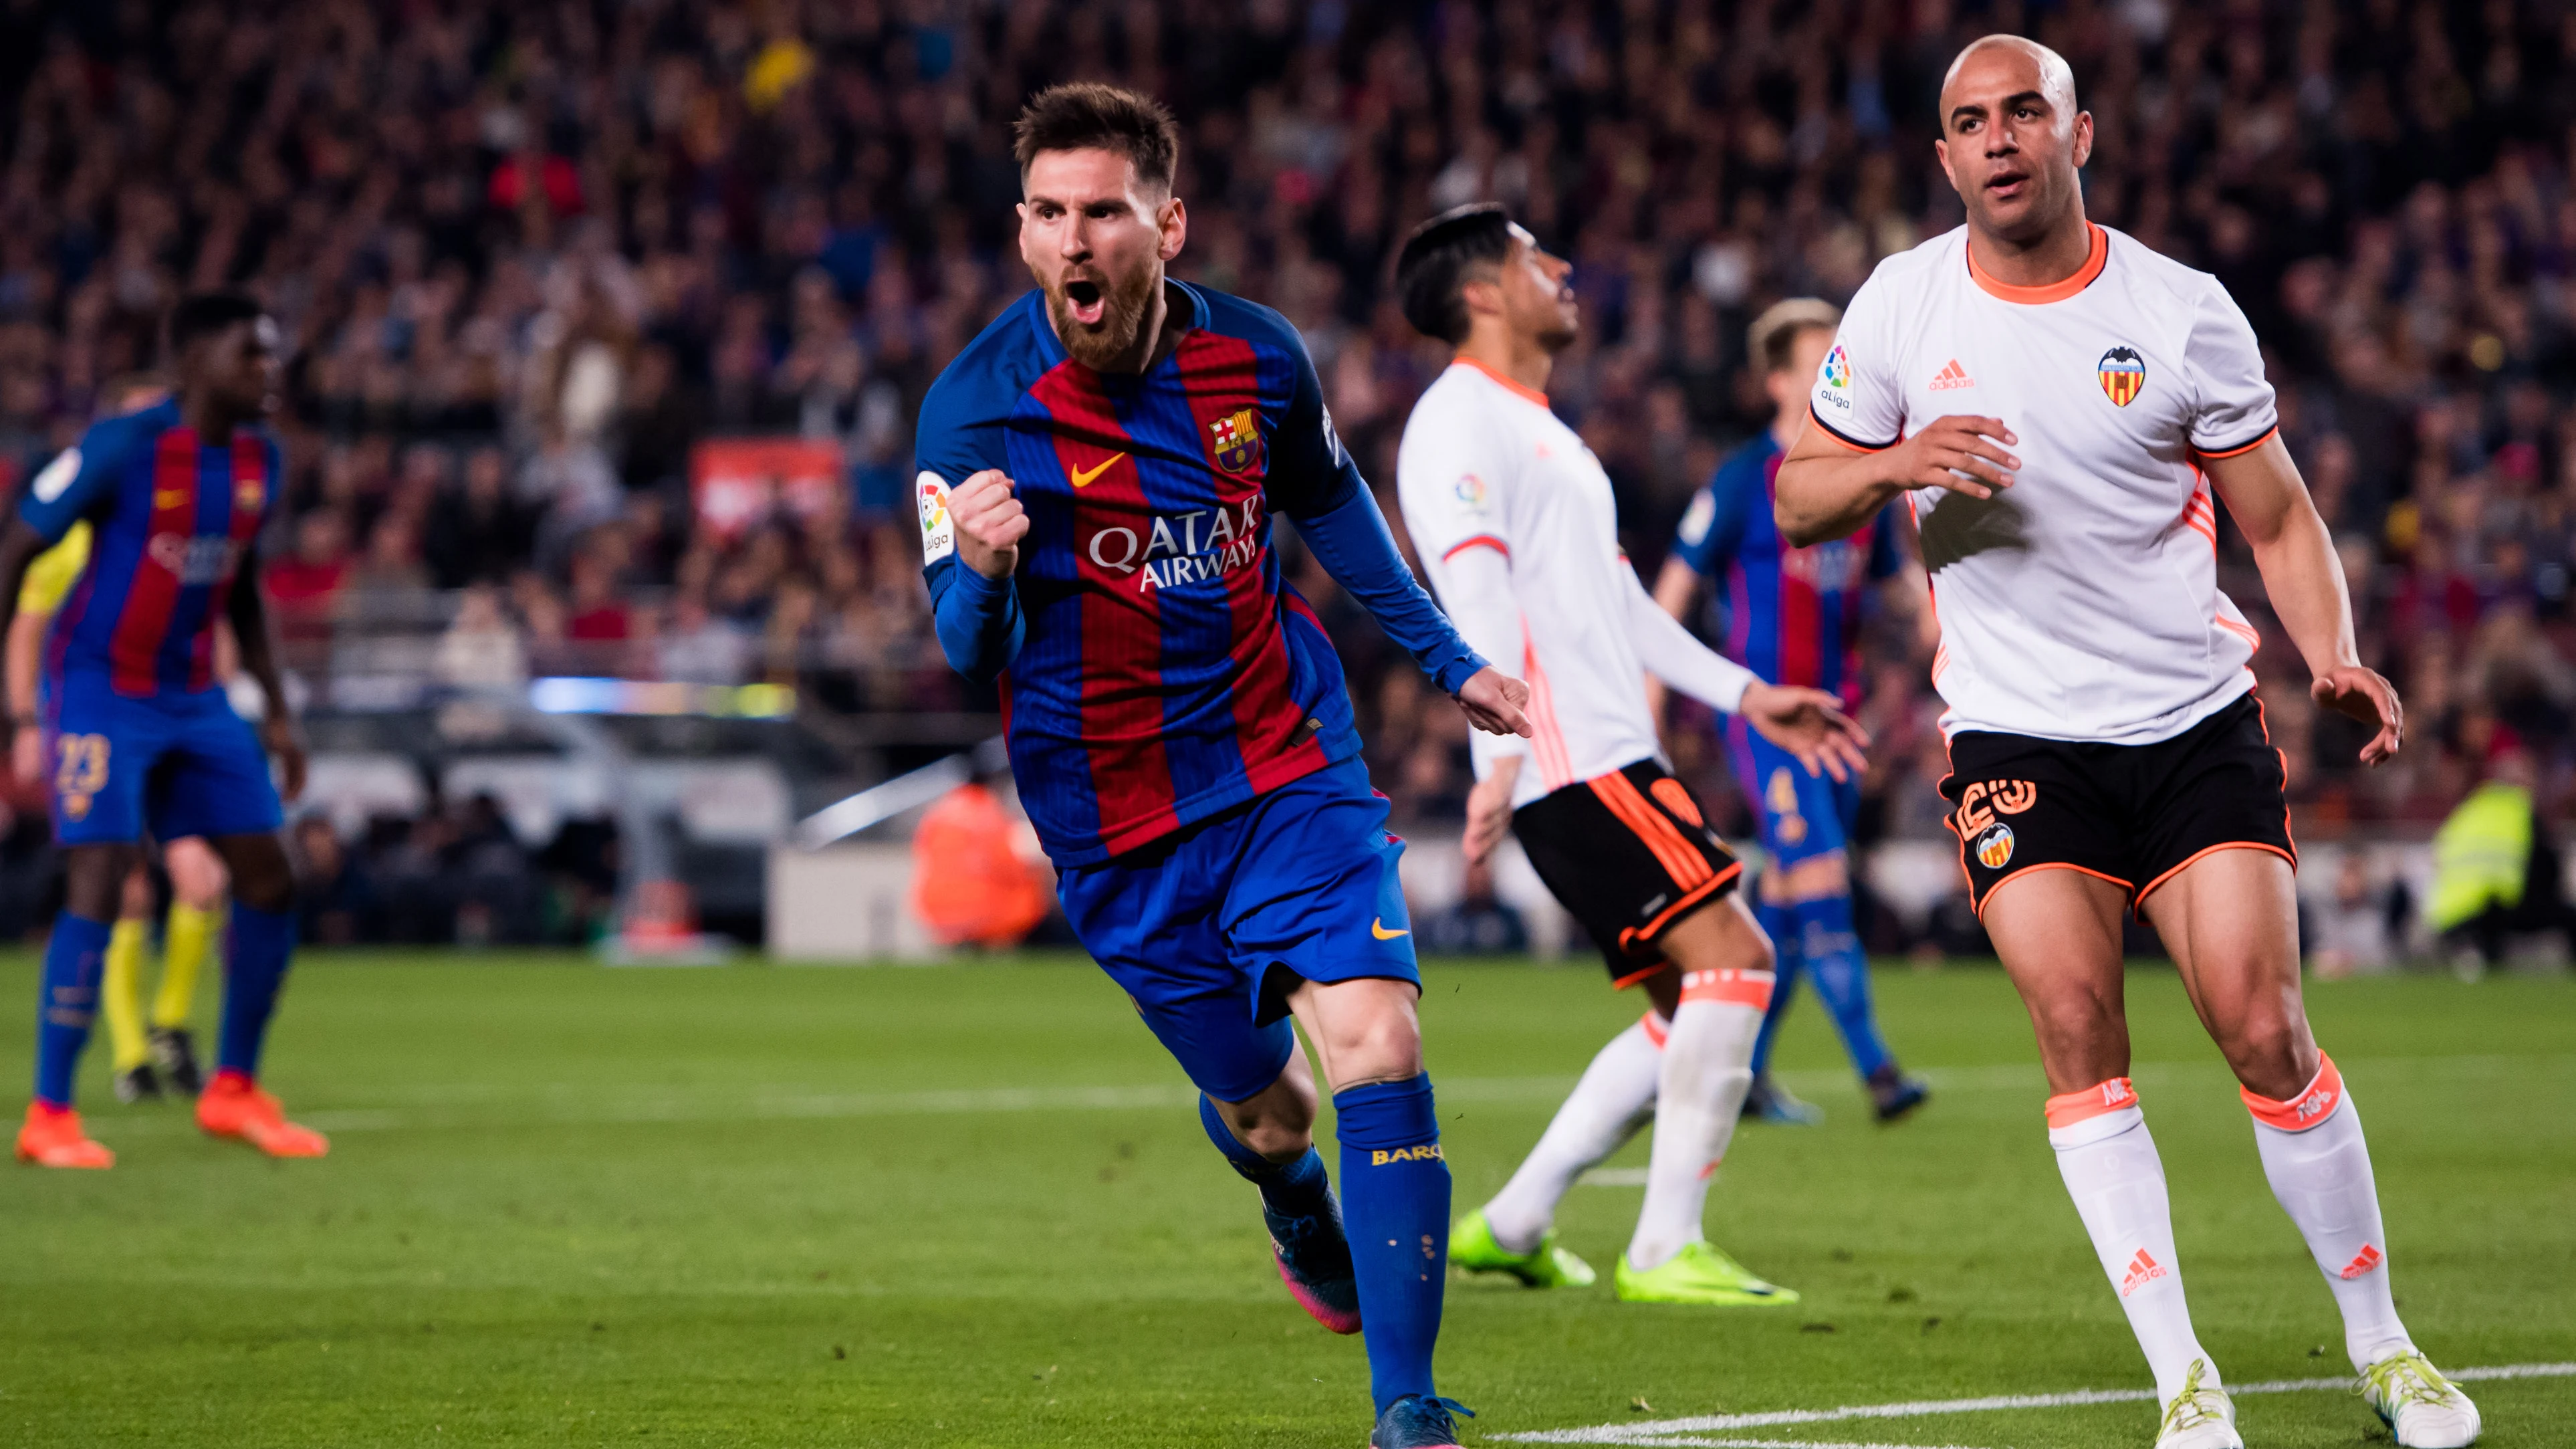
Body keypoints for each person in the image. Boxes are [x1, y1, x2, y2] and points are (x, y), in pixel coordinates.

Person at [1773, 37, 2478, 1449]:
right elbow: (1801, 496)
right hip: (2017, 736)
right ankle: (2184, 1380)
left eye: (2022, 110)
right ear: (1943, 156)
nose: (1996, 139)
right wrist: (1894, 463)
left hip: (2190, 721)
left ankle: (2385, 1346)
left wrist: (2330, 652)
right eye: (1967, 122)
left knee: (2265, 1028)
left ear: (2077, 131)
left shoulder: (2180, 310)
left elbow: (2275, 518)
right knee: (2076, 1030)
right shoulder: (1902, 306)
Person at [915, 85, 1528, 1449]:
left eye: (1107, 213)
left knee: (1379, 1036)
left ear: (1167, 224)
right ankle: (1295, 1202)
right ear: (1023, 234)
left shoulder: (1256, 360)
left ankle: (1407, 1405)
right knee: (1267, 1105)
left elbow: (1331, 507)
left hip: (1283, 765)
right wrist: (984, 562)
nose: (1079, 242)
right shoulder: (970, 416)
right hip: (1117, 824)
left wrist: (1448, 659)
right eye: (1052, 216)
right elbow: (968, 650)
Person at [1389, 205, 1867, 1308]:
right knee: (1740, 960)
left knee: (1680, 1007)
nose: (1559, 268)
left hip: (1600, 754)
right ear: (1480, 294)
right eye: (1529, 258)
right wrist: (1493, 759)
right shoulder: (1455, 420)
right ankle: (1662, 1243)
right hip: (1571, 758)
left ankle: (1511, 1223)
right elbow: (1473, 597)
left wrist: (1749, 695)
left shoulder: (1543, 429)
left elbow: (1622, 604)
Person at [3, 292, 324, 1169]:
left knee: (270, 875)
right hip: (99, 686)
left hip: (195, 695)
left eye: (272, 355)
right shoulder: (123, 446)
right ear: (194, 363)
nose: (269, 371)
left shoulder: (260, 459)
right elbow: (17, 548)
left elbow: (243, 584)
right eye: (249, 356)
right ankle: (50, 1111)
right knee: (102, 877)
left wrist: (278, 710)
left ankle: (234, 1088)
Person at [1654, 296, 1931, 1125]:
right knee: (1821, 884)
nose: (1831, 376)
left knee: (1785, 904)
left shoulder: (1858, 479)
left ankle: (1746, 1076)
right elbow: (1672, 589)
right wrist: (1651, 701)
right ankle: (1879, 1073)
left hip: (1841, 722)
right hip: (1766, 717)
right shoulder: (1743, 479)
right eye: (1817, 362)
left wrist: (1935, 621)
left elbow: (1899, 579)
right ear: (1777, 381)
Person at [6, 458, 229, 1105]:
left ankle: (170, 1022)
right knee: (123, 888)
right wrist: (25, 721)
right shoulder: (67, 544)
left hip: (169, 718)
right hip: (92, 728)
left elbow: (208, 622)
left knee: (203, 879)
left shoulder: (170, 543)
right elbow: (25, 633)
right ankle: (131, 1056)